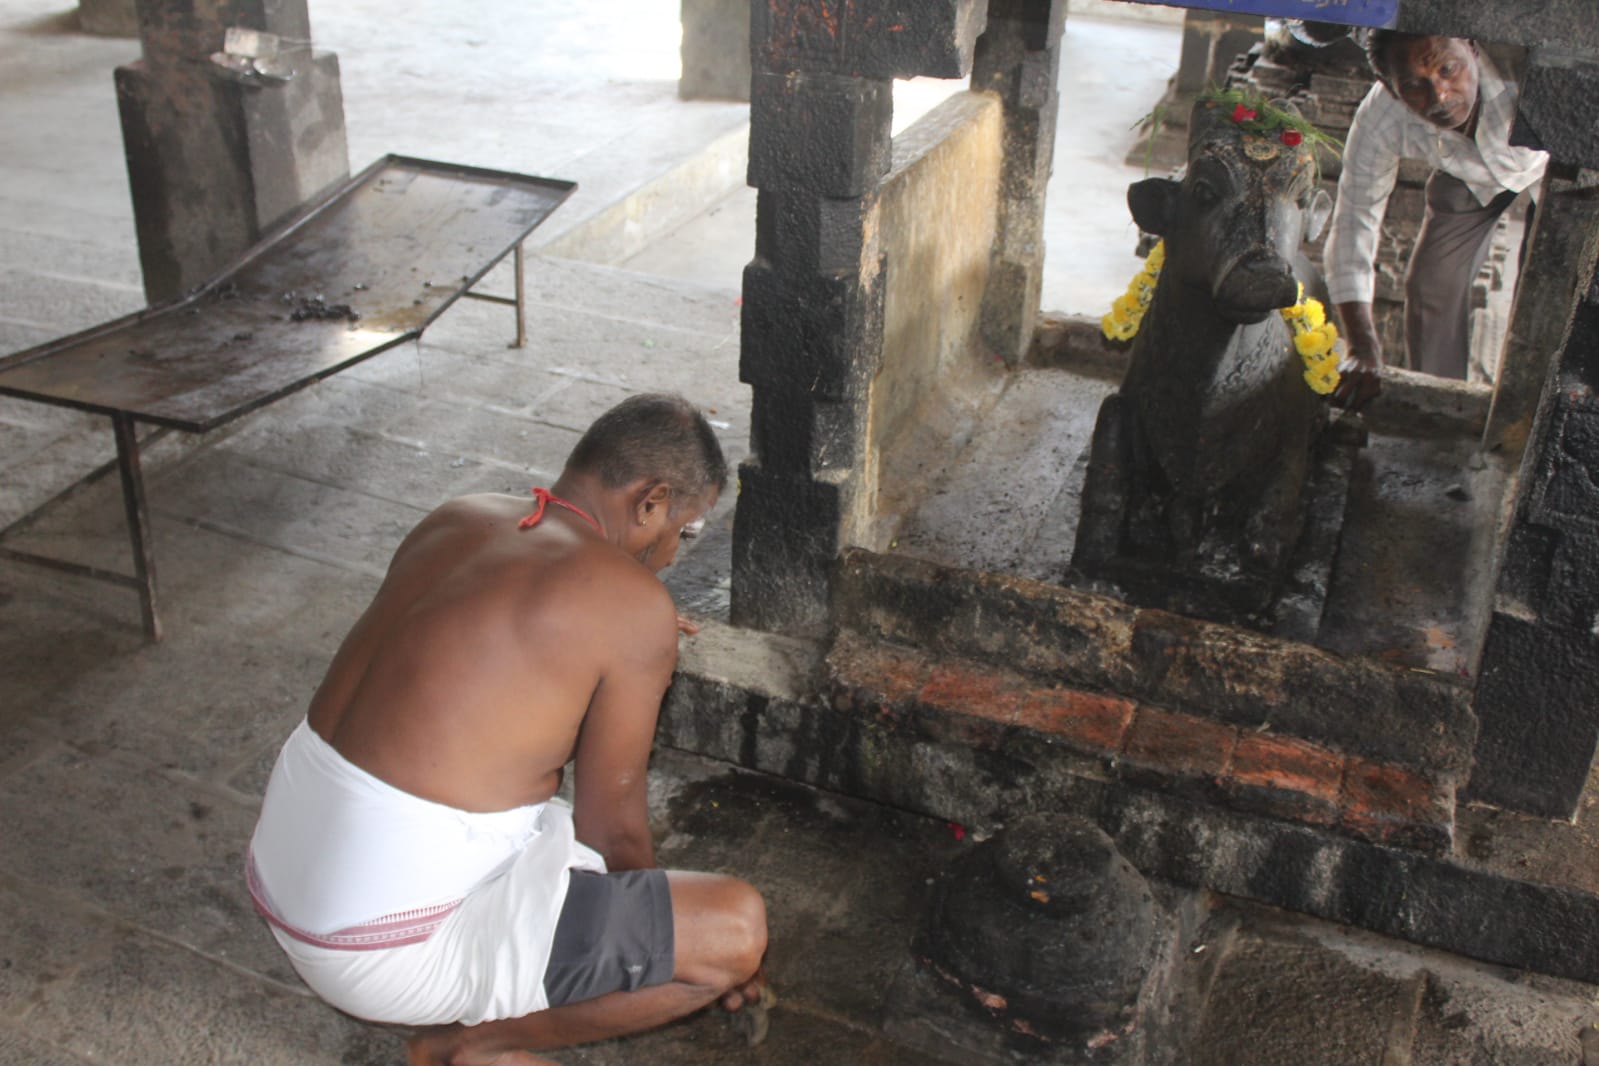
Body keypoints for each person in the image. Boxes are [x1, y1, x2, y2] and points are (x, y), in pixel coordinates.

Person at [245, 392, 769, 1066]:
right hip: (380, 947)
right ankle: (467, 1047)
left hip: (286, 871)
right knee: (733, 930)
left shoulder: (460, 517)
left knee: (532, 815)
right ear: (650, 501)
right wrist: (664, 937)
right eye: (683, 531)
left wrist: (627, 618)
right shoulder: (631, 606)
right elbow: (611, 832)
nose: (670, 555)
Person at [1323, 31, 1548, 408]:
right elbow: (1353, 221)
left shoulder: (1522, 63)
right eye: (1414, 86)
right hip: (1469, 176)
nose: (1440, 95)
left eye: (1448, 69)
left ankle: (1537, 406)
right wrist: (1362, 348)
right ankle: (1439, 402)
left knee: (1548, 285)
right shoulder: (1381, 116)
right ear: (1389, 86)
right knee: (1431, 285)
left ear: (1472, 46)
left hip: (1556, 166)